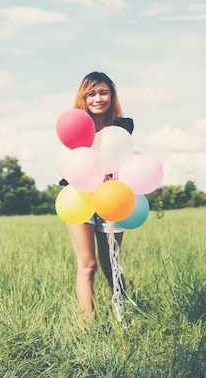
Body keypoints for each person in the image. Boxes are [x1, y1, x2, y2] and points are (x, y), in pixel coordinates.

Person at [61, 71, 134, 316]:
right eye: (91, 94)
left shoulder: (123, 126)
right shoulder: (77, 125)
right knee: (87, 265)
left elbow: (124, 161)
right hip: (79, 198)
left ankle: (127, 318)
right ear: (83, 97)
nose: (98, 98)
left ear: (111, 96)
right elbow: (72, 163)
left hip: (111, 197)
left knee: (111, 266)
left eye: (103, 92)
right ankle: (88, 328)